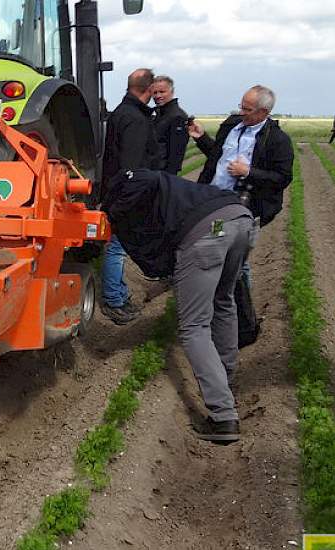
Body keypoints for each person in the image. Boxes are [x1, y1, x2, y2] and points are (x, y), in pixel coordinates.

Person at [104, 169, 256, 443]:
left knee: (194, 327)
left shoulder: (133, 183)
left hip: (208, 232)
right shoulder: (170, 191)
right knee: (223, 301)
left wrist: (110, 215)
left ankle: (223, 417)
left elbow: (141, 189)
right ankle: (224, 377)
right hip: (240, 220)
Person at [188, 85, 293, 285]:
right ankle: (215, 299)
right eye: (241, 106)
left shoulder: (277, 140)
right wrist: (201, 138)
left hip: (244, 210)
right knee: (215, 250)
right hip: (216, 205)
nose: (241, 113)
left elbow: (282, 178)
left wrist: (248, 172)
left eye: (247, 109)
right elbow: (217, 157)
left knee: (237, 260)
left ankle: (240, 309)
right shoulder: (231, 126)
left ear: (263, 112)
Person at [98, 68, 161, 325]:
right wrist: (127, 202)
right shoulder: (135, 119)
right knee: (116, 248)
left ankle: (119, 294)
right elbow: (131, 168)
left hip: (116, 190)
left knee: (117, 247)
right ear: (148, 89)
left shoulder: (121, 112)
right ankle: (114, 300)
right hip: (126, 194)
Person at [151, 76, 190, 175]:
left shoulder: (177, 117)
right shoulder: (159, 115)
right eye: (154, 92)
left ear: (171, 92)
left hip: (164, 174)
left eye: (162, 92)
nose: (158, 96)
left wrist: (168, 181)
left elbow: (175, 154)